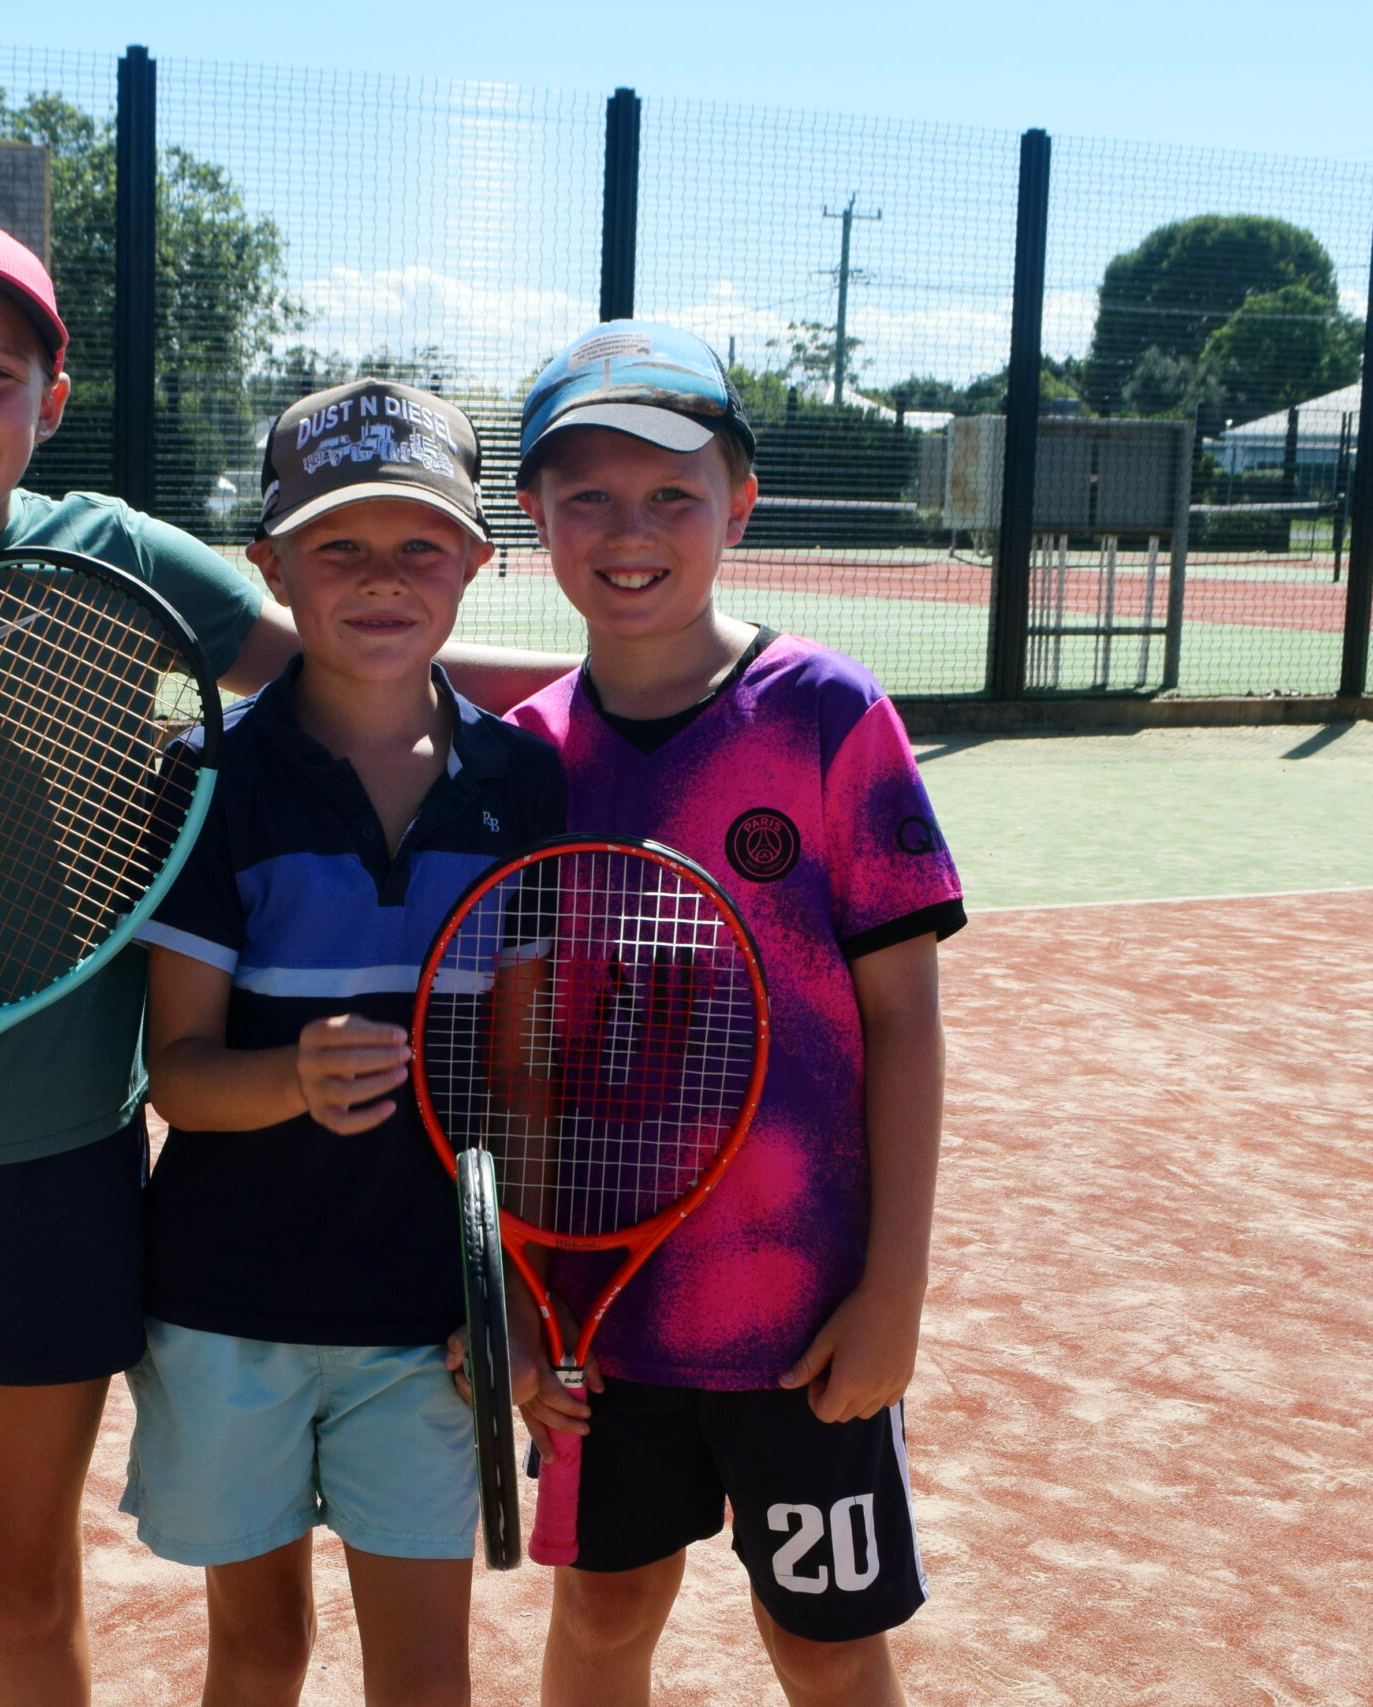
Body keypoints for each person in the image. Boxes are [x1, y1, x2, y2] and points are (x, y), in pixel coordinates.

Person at [0, 220, 569, 1707]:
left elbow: (347, 666)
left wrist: (628, 694)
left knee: (22, 1595)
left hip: (59, 1176)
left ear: (51, 402)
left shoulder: (118, 557)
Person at [496, 321, 962, 1707]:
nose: (627, 530)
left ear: (738, 505)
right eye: (585, 493)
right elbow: (519, 1063)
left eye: (671, 495)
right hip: (595, 1316)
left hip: (803, 1313)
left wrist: (893, 1292)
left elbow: (907, 1023)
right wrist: (519, 1300)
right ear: (533, 515)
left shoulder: (825, 713)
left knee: (824, 1645)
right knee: (602, 1616)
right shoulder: (525, 761)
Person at [129, 380, 568, 1707]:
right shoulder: (211, 781)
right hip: (227, 1316)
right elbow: (182, 1082)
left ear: (479, 562)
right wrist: (292, 1078)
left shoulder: (524, 786)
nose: (382, 579)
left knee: (424, 1676)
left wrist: (523, 1295)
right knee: (257, 1653)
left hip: (430, 1322)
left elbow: (526, 1079)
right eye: (338, 546)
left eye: (419, 544)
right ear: (269, 567)